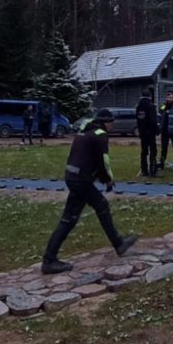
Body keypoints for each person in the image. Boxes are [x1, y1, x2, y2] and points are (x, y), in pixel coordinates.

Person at [40, 108, 138, 274]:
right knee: (102, 206)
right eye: (112, 123)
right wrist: (108, 180)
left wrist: (102, 178)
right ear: (107, 122)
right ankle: (119, 244)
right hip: (81, 180)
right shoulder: (100, 135)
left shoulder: (84, 131)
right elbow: (103, 161)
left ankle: (49, 259)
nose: (113, 126)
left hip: (73, 177)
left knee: (68, 219)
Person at [136, 87, 158, 177]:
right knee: (153, 150)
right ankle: (152, 170)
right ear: (150, 96)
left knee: (144, 152)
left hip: (142, 132)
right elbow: (153, 120)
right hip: (150, 132)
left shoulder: (138, 106)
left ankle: (144, 170)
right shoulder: (151, 105)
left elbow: (138, 119)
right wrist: (157, 130)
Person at [158, 90, 173, 169]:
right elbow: (160, 113)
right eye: (167, 97)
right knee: (164, 148)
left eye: (170, 97)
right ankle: (161, 164)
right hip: (164, 130)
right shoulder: (163, 106)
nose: (168, 99)